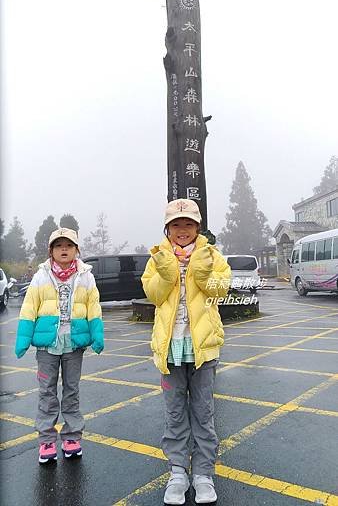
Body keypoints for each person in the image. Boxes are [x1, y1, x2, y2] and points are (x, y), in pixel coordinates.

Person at [142, 199, 231, 505]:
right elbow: (152, 294)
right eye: (176, 224)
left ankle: (204, 473)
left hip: (202, 348)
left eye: (189, 224)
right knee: (175, 414)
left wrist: (205, 274)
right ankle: (178, 472)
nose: (183, 230)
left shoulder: (211, 254)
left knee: (203, 413)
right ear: (168, 228)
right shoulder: (157, 258)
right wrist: (167, 274)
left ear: (198, 227)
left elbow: (223, 288)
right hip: (170, 349)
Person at [15, 228, 104, 464]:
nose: (63, 249)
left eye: (69, 245)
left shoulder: (86, 276)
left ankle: (72, 437)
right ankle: (46, 440)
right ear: (51, 251)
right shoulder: (41, 276)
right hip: (47, 347)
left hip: (74, 346)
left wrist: (97, 335)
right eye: (58, 245)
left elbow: (94, 307)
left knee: (72, 391)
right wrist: (23, 337)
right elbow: (29, 307)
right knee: (47, 392)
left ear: (76, 250)